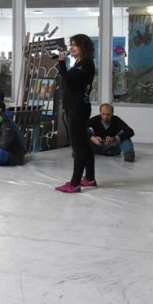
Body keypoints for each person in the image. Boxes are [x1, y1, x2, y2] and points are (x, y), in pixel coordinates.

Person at [56, 34, 97, 193]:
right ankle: (90, 178)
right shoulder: (80, 62)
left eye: (75, 45)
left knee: (78, 147)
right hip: (76, 108)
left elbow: (69, 82)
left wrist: (61, 62)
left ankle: (74, 184)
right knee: (85, 145)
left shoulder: (85, 63)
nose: (71, 48)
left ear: (83, 47)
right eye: (71, 44)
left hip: (77, 109)